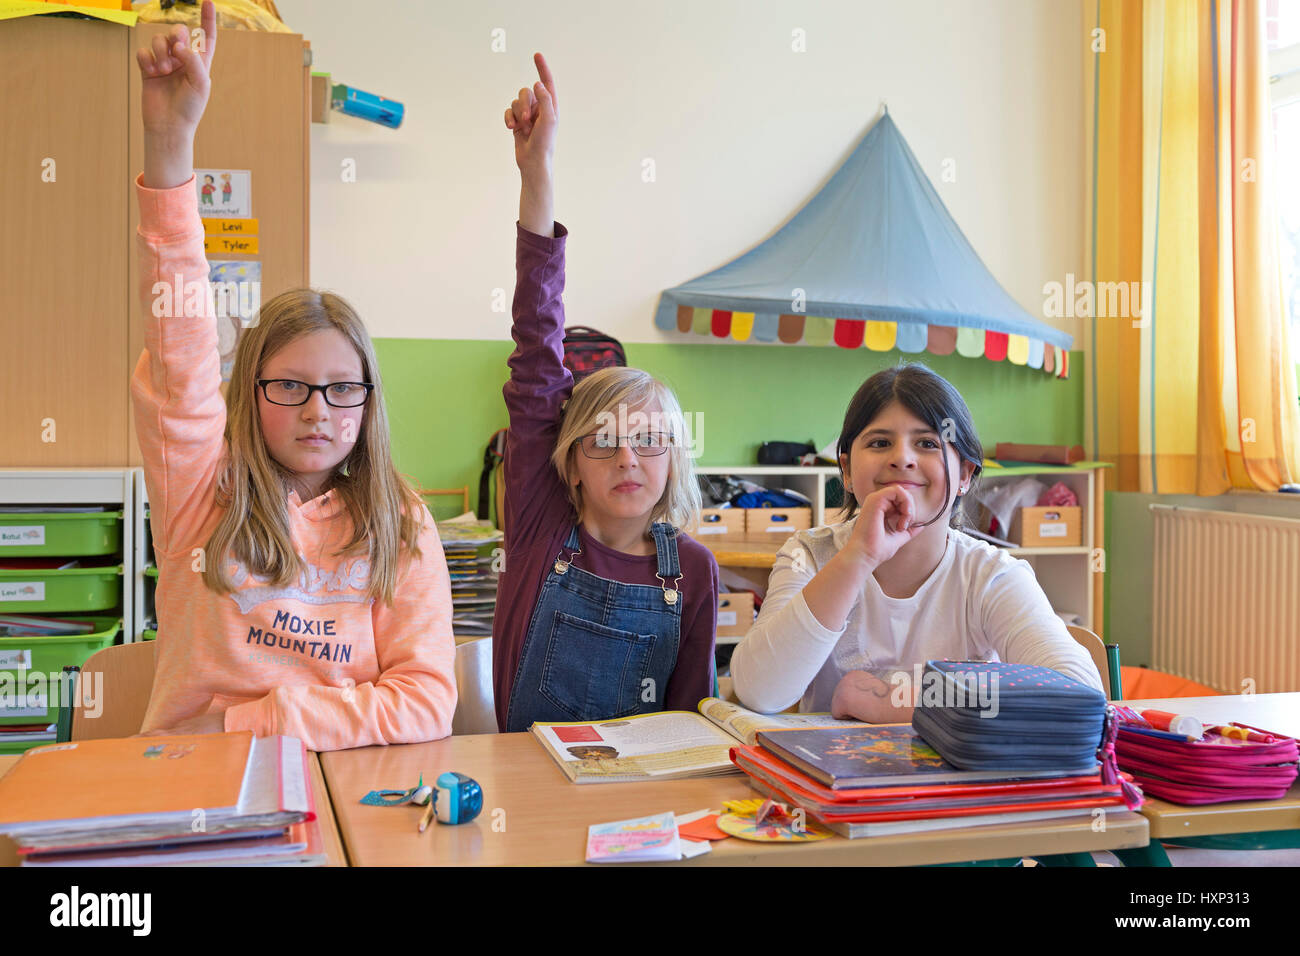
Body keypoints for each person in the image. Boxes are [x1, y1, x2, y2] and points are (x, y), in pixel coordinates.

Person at [132, 2, 456, 750]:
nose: (320, 411)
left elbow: (426, 702)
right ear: (247, 394)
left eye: (344, 389)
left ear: (368, 401)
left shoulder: (398, 520)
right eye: (291, 387)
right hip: (192, 777)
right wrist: (171, 143)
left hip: (340, 786)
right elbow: (181, 345)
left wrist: (261, 720)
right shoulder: (201, 488)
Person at [494, 54, 719, 732]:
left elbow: (691, 721)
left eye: (650, 442)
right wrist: (539, 174)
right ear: (567, 460)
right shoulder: (538, 524)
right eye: (605, 442)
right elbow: (538, 343)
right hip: (525, 791)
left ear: (675, 459)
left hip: (642, 809)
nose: (629, 460)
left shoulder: (696, 573)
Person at [731, 363, 1101, 721]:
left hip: (959, 782)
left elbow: (1079, 696)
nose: (902, 458)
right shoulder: (808, 555)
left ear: (965, 475)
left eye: (926, 442)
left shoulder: (990, 574)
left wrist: (888, 703)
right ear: (845, 470)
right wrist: (859, 557)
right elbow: (760, 691)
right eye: (879, 442)